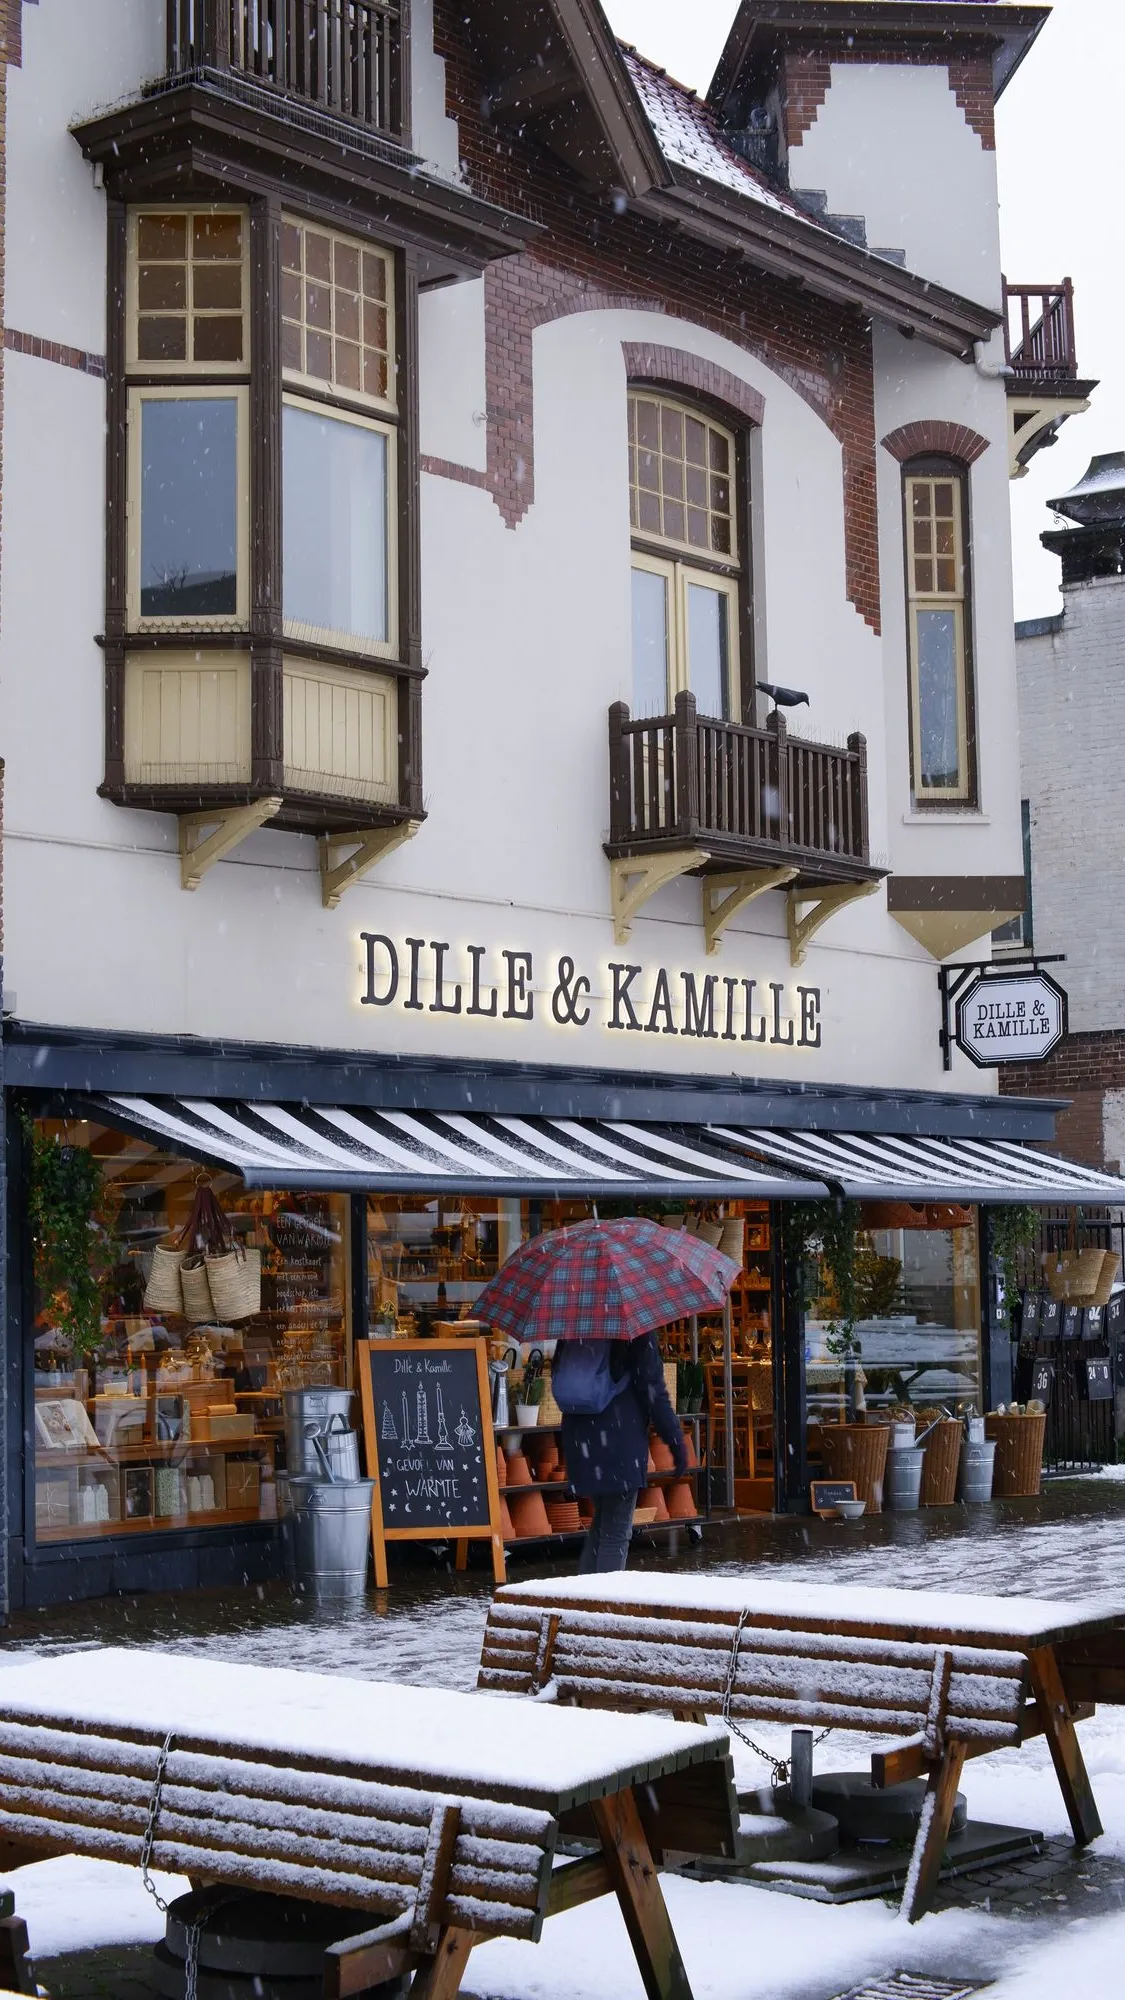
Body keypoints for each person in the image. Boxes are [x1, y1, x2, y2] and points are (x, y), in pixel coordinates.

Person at [561, 1331, 688, 1574]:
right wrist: (675, 1441)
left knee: (602, 1525)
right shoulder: (634, 1329)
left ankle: (585, 1593)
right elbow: (653, 1390)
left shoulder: (576, 1325)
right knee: (615, 1533)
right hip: (619, 1438)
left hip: (581, 1438)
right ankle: (604, 1597)